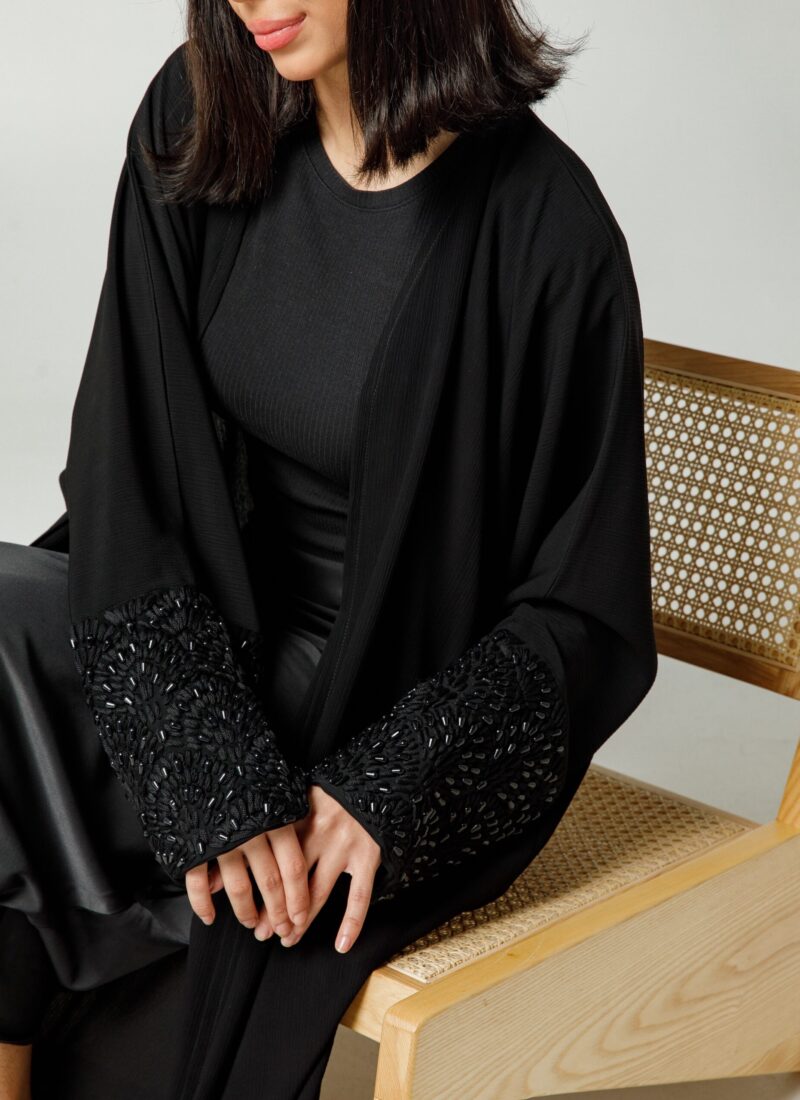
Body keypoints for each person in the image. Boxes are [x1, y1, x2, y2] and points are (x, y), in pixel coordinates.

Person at [0, 1, 659, 1097]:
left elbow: (584, 615)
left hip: (371, 689)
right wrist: (203, 756)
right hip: (189, 629)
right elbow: (125, 456)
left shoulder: (546, 229)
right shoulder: (199, 108)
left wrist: (394, 784)